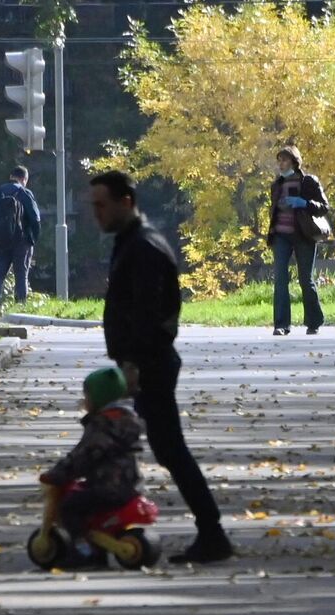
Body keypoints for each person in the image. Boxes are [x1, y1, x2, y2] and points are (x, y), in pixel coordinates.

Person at [87, 169, 233, 565]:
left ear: (126, 202)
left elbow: (151, 315)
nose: (96, 213)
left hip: (148, 365)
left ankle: (212, 533)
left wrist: (133, 365)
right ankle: (106, 531)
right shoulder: (130, 242)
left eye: (102, 204)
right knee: (145, 447)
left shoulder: (145, 248)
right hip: (139, 365)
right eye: (93, 205)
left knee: (169, 449)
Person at [36, 366, 146, 569]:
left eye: (86, 396)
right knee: (88, 504)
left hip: (108, 485)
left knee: (69, 507)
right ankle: (99, 545)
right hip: (129, 484)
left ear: (98, 399)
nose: (84, 401)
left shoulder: (102, 426)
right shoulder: (126, 420)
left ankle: (85, 551)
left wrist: (59, 474)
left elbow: (84, 455)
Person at [263, 144, 330, 335]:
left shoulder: (309, 181)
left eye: (284, 160)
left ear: (294, 161)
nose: (280, 164)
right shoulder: (276, 185)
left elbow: (324, 207)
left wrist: (304, 203)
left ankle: (314, 322)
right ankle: (281, 325)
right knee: (280, 280)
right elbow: (274, 210)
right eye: (279, 160)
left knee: (305, 279)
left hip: (303, 235)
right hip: (281, 236)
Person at [0, 166, 41, 321]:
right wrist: (32, 240)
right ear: (24, 179)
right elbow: (35, 219)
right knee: (21, 274)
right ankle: (20, 307)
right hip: (21, 242)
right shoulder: (25, 193)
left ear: (11, 176)